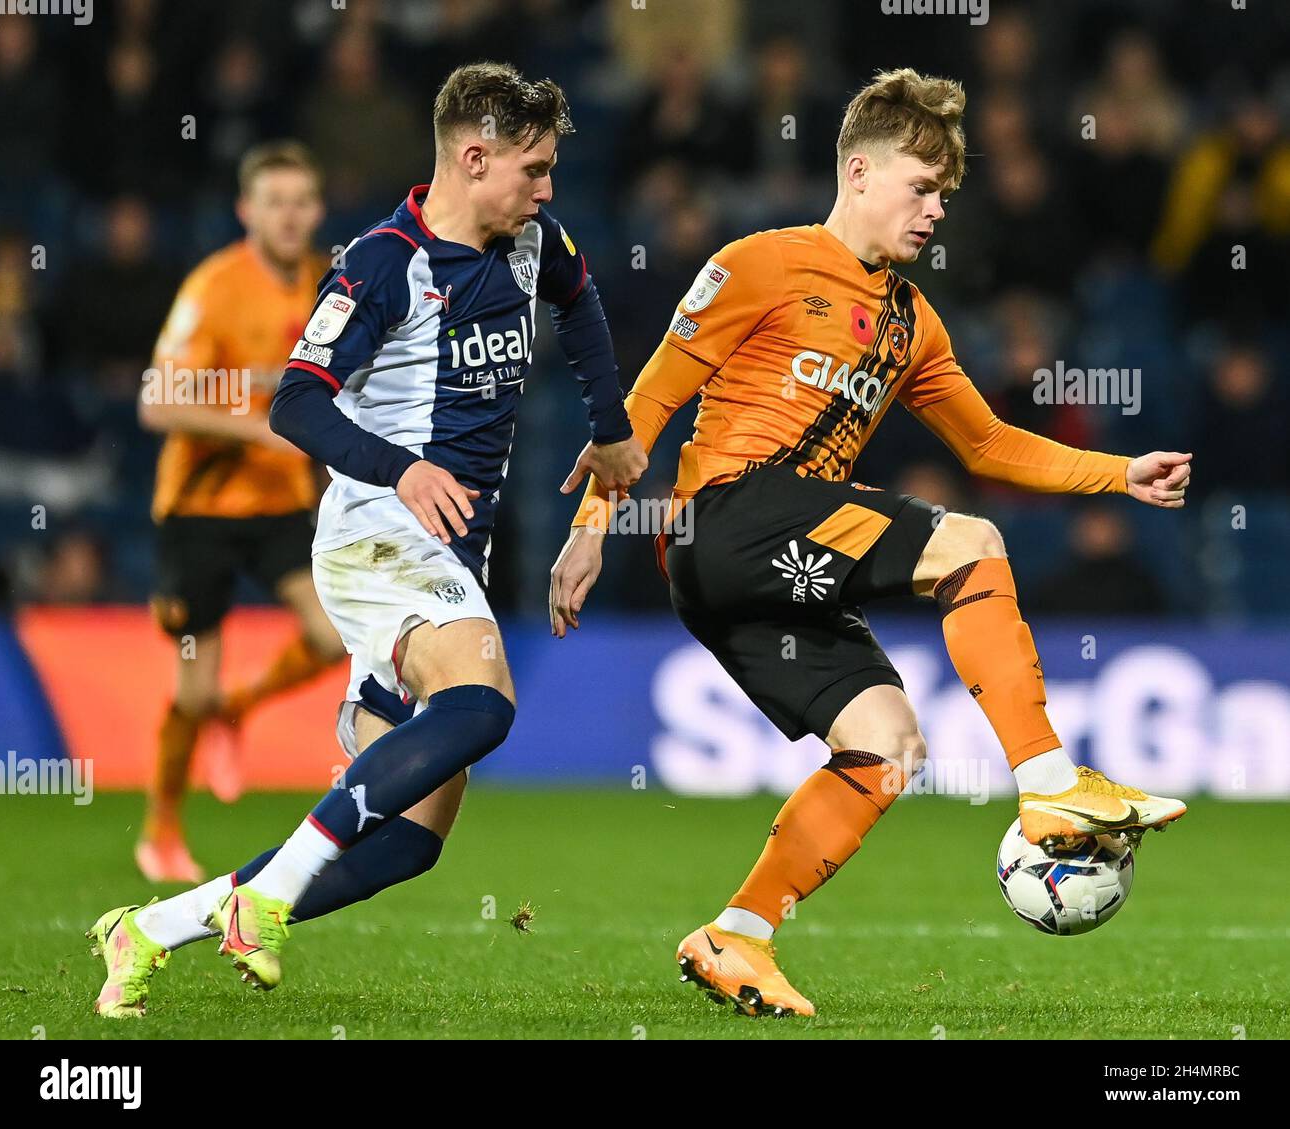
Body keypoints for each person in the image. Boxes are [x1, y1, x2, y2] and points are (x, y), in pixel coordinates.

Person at [550, 68, 1191, 1018]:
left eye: (946, 195)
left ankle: (739, 934)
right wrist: (589, 528)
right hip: (726, 515)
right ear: (857, 171)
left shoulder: (912, 322)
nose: (935, 212)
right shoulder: (760, 261)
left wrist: (1118, 471)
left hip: (761, 566)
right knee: (966, 541)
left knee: (888, 745)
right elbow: (645, 401)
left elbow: (987, 443)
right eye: (920, 187)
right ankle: (1050, 782)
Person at [88, 62, 646, 1019]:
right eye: (535, 169)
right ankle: (263, 897)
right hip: (377, 536)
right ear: (475, 157)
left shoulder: (530, 240)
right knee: (482, 702)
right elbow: (298, 402)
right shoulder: (385, 263)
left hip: (447, 552)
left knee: (411, 840)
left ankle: (149, 928)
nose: (549, 189)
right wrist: (403, 467)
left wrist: (610, 429)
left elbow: (582, 300)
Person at [138, 141, 345, 882]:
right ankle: (160, 825)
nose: (289, 216)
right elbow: (157, 401)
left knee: (332, 636)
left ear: (317, 210)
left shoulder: (330, 284)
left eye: (301, 202)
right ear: (246, 210)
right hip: (201, 507)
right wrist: (256, 422)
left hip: (281, 504)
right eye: (274, 202)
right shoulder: (215, 286)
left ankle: (241, 707)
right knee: (191, 684)